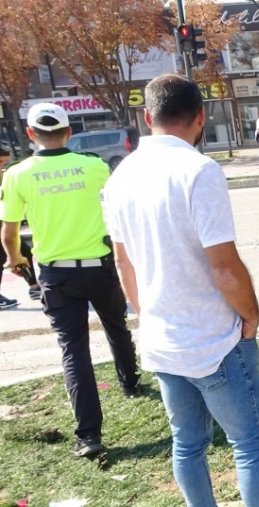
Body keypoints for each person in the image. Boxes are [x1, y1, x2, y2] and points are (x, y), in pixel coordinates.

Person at [103, 74, 259, 507]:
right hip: (214, 340)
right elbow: (223, 267)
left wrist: (149, 316)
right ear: (201, 118)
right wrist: (252, 317)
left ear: (146, 117)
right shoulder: (198, 170)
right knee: (251, 446)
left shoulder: (120, 177)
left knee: (187, 445)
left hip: (163, 340)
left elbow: (124, 264)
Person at [0, 103, 141, 457]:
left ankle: (90, 436)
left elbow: (9, 233)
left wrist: (15, 258)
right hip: (99, 266)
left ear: (31, 134)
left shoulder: (18, 173)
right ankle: (130, 383)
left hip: (55, 274)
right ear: (69, 132)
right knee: (116, 327)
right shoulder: (94, 167)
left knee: (73, 351)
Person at [0, 148, 41, 308]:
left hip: (3, 223)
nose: (3, 165)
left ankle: (34, 287)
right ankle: (34, 287)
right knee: (5, 256)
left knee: (22, 252)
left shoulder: (4, 174)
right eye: (0, 161)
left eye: (4, 162)